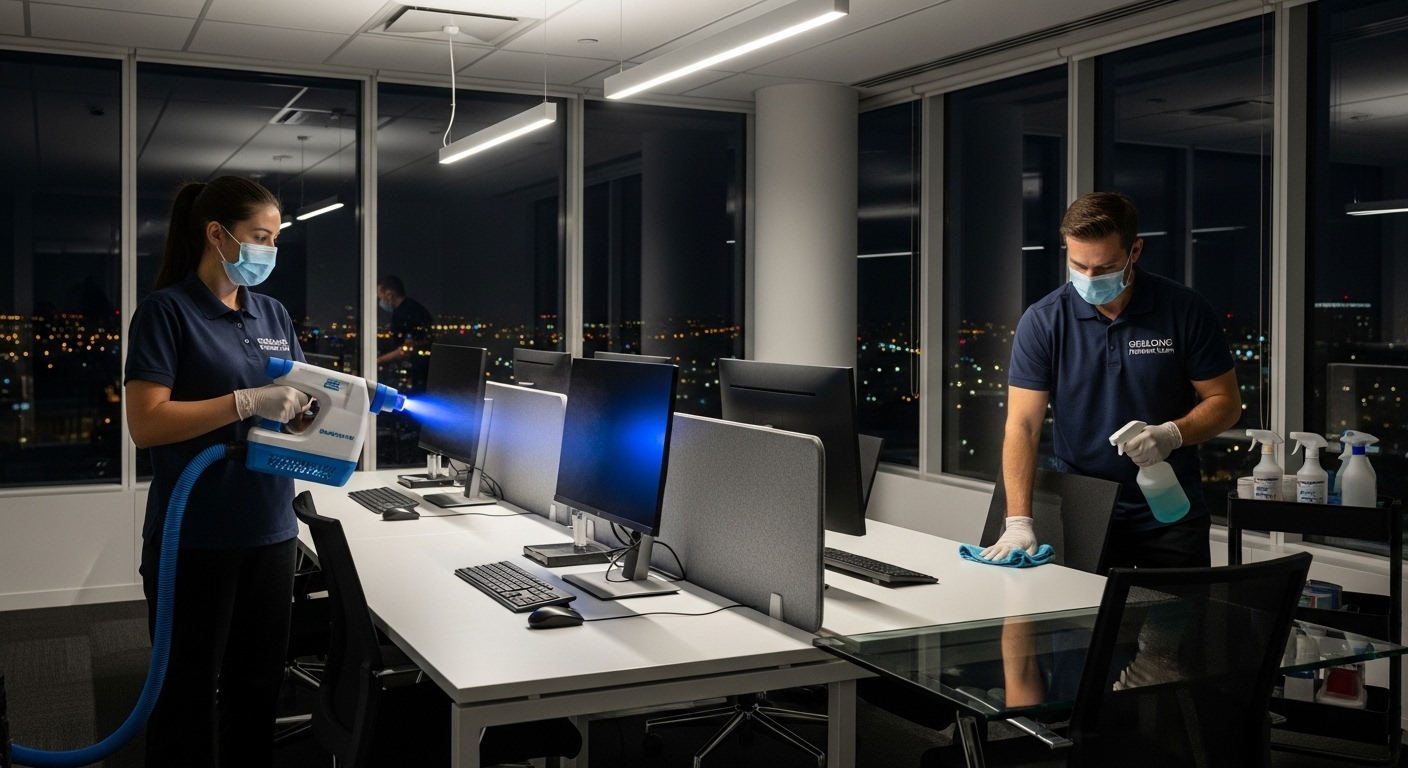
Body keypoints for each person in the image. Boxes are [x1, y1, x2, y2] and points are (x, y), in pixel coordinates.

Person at [124, 176, 308, 767]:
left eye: (275, 239)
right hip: (195, 538)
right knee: (184, 702)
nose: (268, 251)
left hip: (272, 533)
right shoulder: (167, 312)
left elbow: (300, 402)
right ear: (217, 234)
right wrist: (244, 402)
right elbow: (146, 425)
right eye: (259, 236)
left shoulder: (272, 312)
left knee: (257, 696)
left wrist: (335, 406)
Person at [988, 192, 1241, 569]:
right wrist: (1019, 522)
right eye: (1078, 265)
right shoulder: (1043, 322)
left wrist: (1172, 434)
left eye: (1104, 268)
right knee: (1081, 626)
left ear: (1135, 251)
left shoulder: (1183, 310)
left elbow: (1226, 402)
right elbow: (1022, 425)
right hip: (1083, 507)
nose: (1089, 278)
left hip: (1170, 511)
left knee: (1172, 625)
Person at [375, 274, 435, 393]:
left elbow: (406, 349)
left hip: (417, 372)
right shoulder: (412, 309)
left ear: (388, 294)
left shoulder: (405, 313)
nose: (380, 301)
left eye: (380, 296)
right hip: (423, 371)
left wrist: (378, 360)